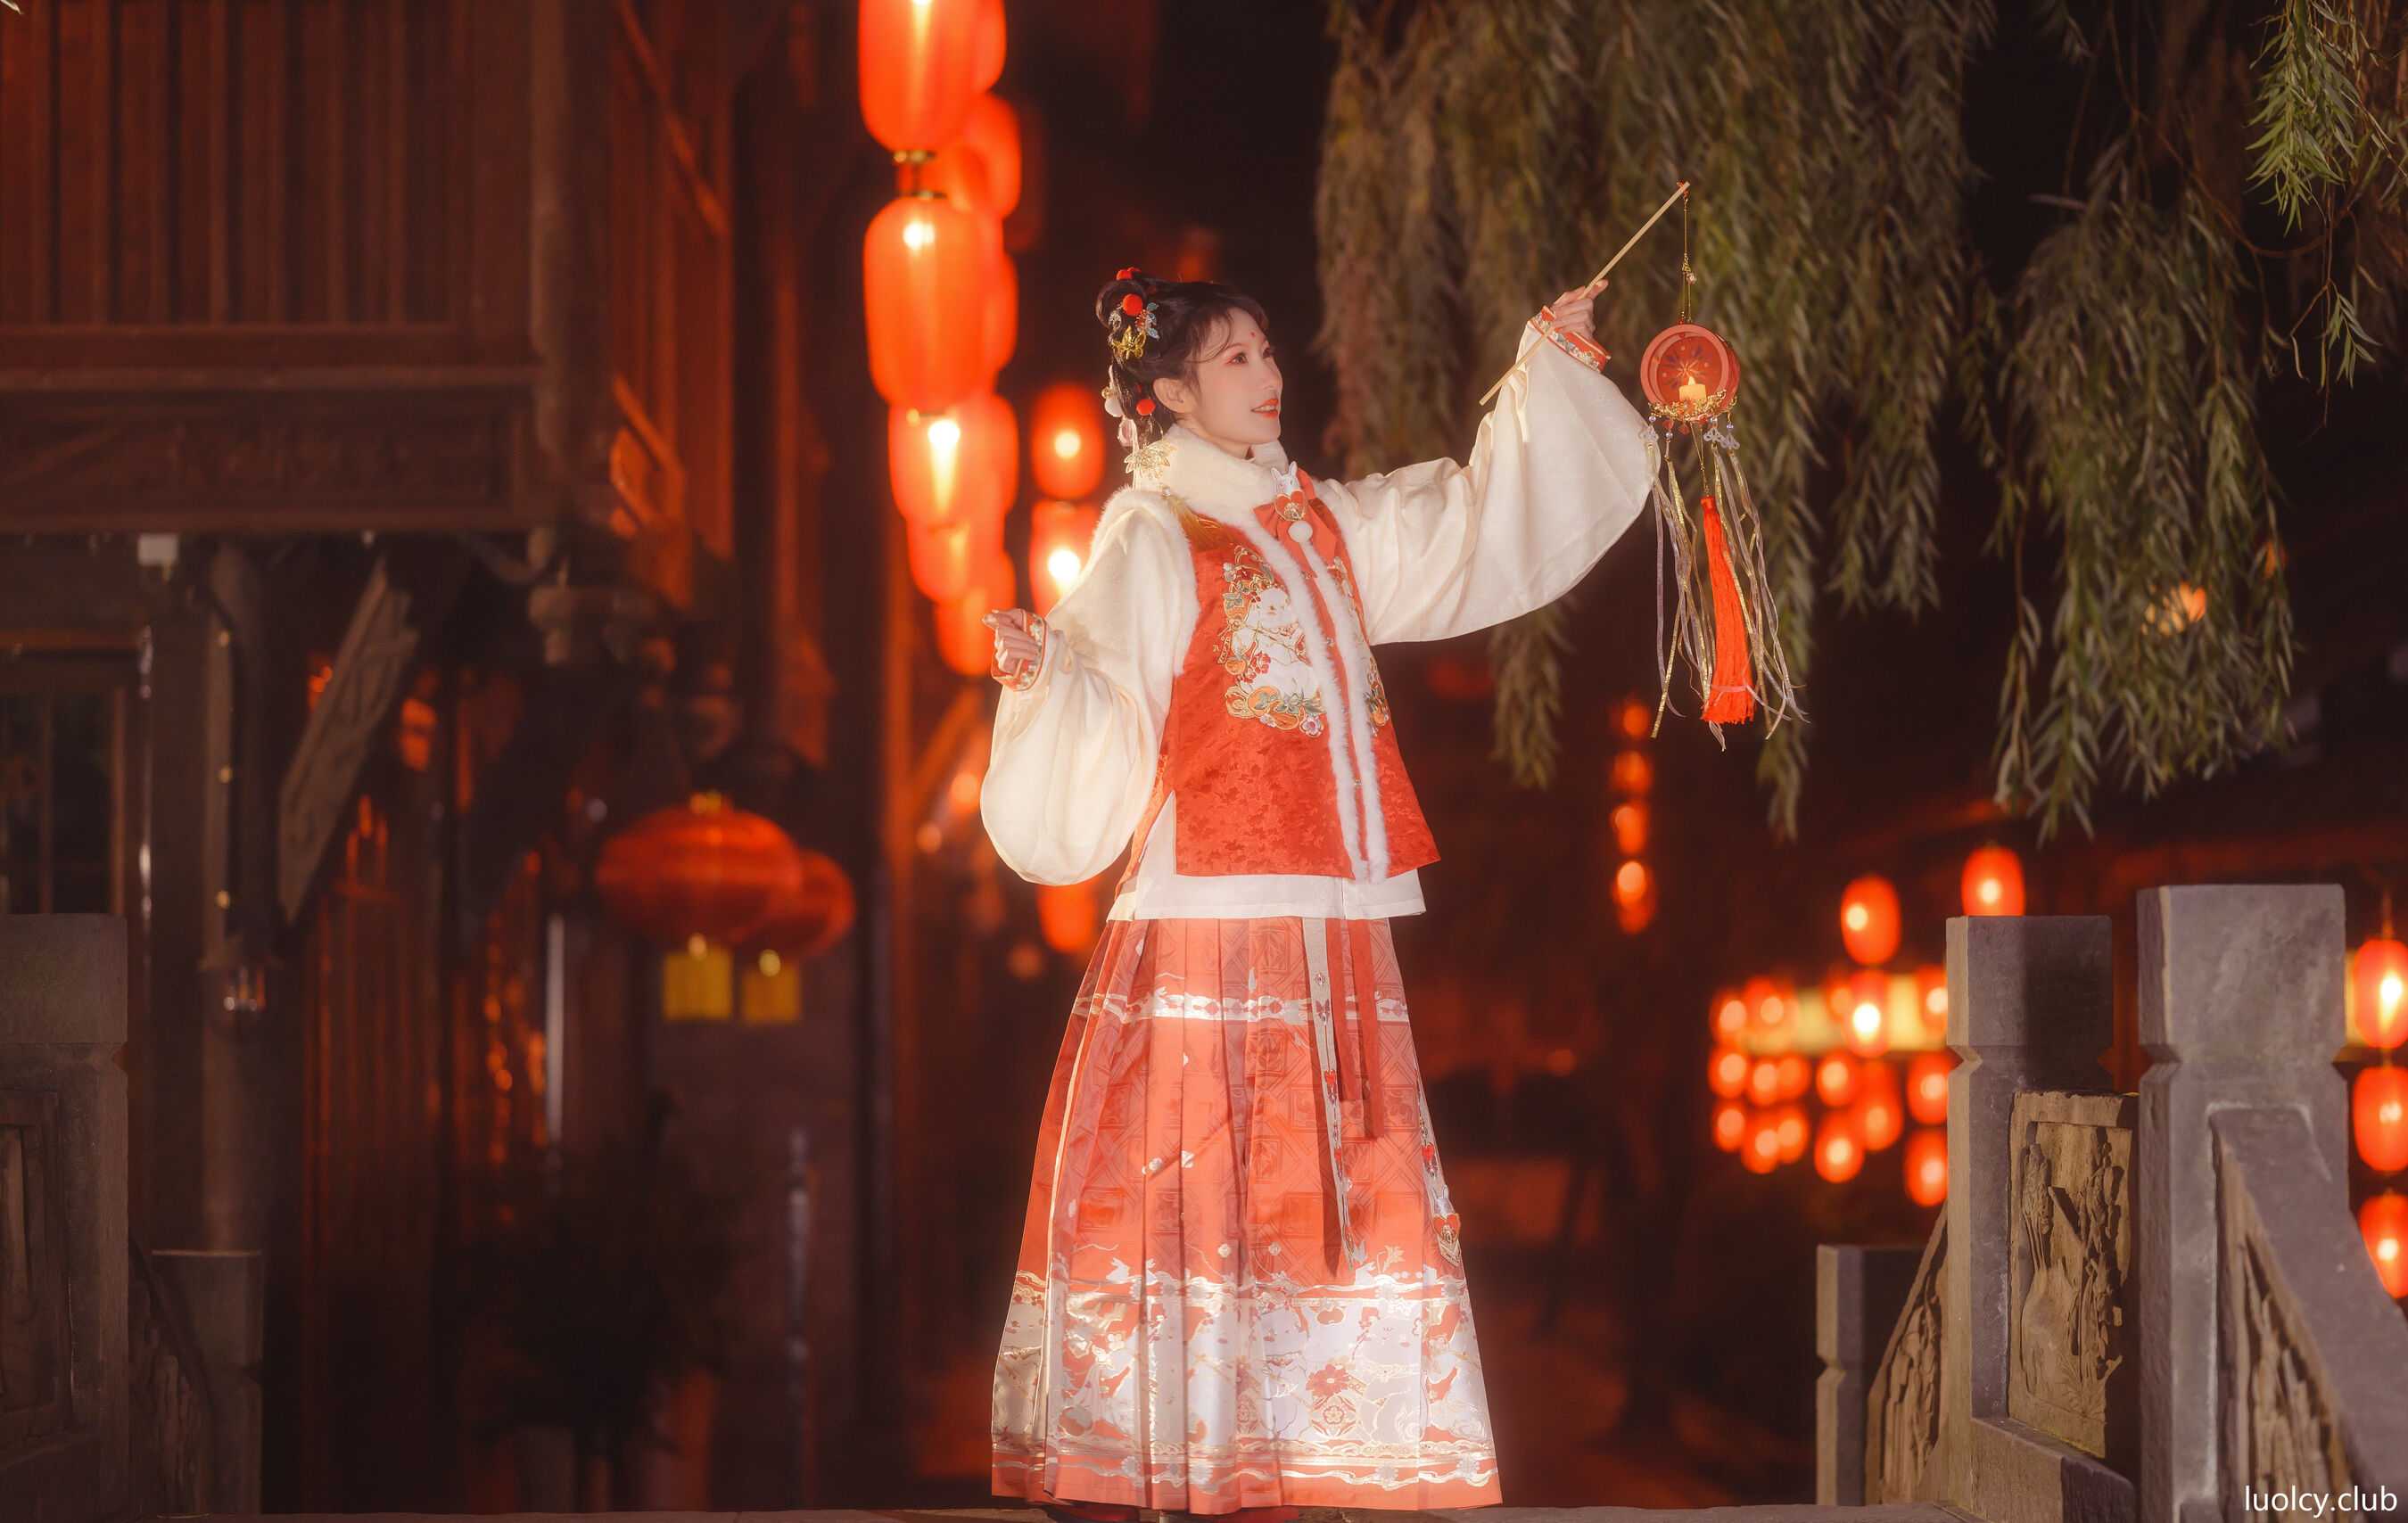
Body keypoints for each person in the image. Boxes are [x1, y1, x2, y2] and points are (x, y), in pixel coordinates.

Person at [979, 267, 1653, 1523]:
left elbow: (1467, 521)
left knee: (1333, 1193)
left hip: (1332, 927)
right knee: (1210, 1191)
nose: (1269, 376)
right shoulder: (1153, 535)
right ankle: (1197, 1461)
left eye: (1268, 352)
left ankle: (1310, 1455)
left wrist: (1549, 367)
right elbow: (1105, 689)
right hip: (1208, 927)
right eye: (1235, 359)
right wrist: (1046, 678)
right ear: (1172, 395)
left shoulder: (1321, 525)